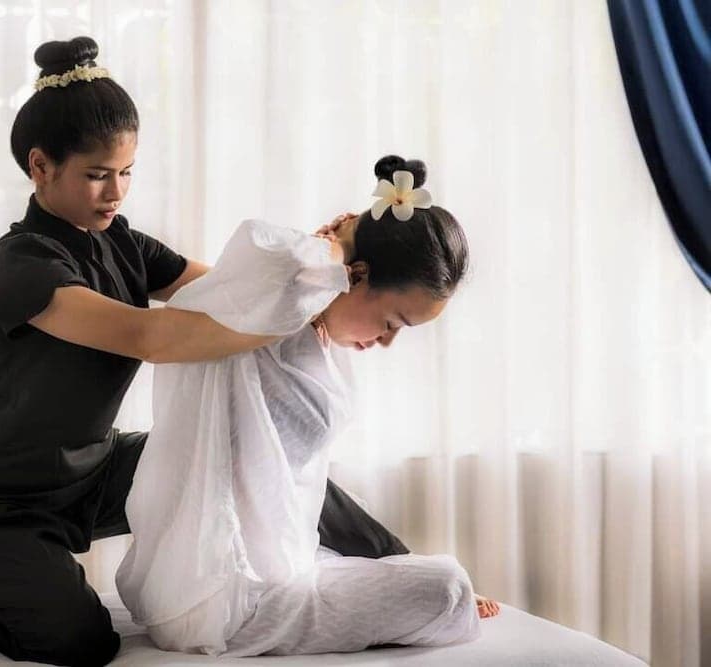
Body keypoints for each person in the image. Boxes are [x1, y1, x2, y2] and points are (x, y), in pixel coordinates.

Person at [0, 36, 415, 667]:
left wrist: (325, 271)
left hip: (92, 470)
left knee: (247, 451)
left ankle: (397, 561)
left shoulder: (123, 243)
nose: (116, 192)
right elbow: (150, 338)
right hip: (0, 497)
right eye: (97, 175)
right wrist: (296, 308)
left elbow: (227, 293)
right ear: (40, 166)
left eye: (126, 172)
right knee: (84, 643)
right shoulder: (23, 269)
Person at [115, 155, 499, 656]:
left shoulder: (309, 335)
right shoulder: (266, 309)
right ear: (357, 276)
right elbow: (266, 246)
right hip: (227, 598)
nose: (386, 340)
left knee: (438, 582)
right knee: (446, 588)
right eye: (392, 322)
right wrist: (340, 242)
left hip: (279, 571)